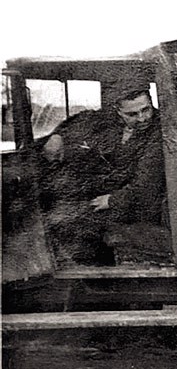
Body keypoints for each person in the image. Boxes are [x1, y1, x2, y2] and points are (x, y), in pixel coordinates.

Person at [39, 87, 166, 264]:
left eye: (146, 109)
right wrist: (58, 136)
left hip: (137, 203)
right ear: (118, 111)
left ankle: (96, 280)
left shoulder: (160, 130)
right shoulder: (108, 120)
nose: (143, 118)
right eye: (132, 114)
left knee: (73, 225)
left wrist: (113, 200)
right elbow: (83, 119)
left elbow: (146, 184)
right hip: (109, 194)